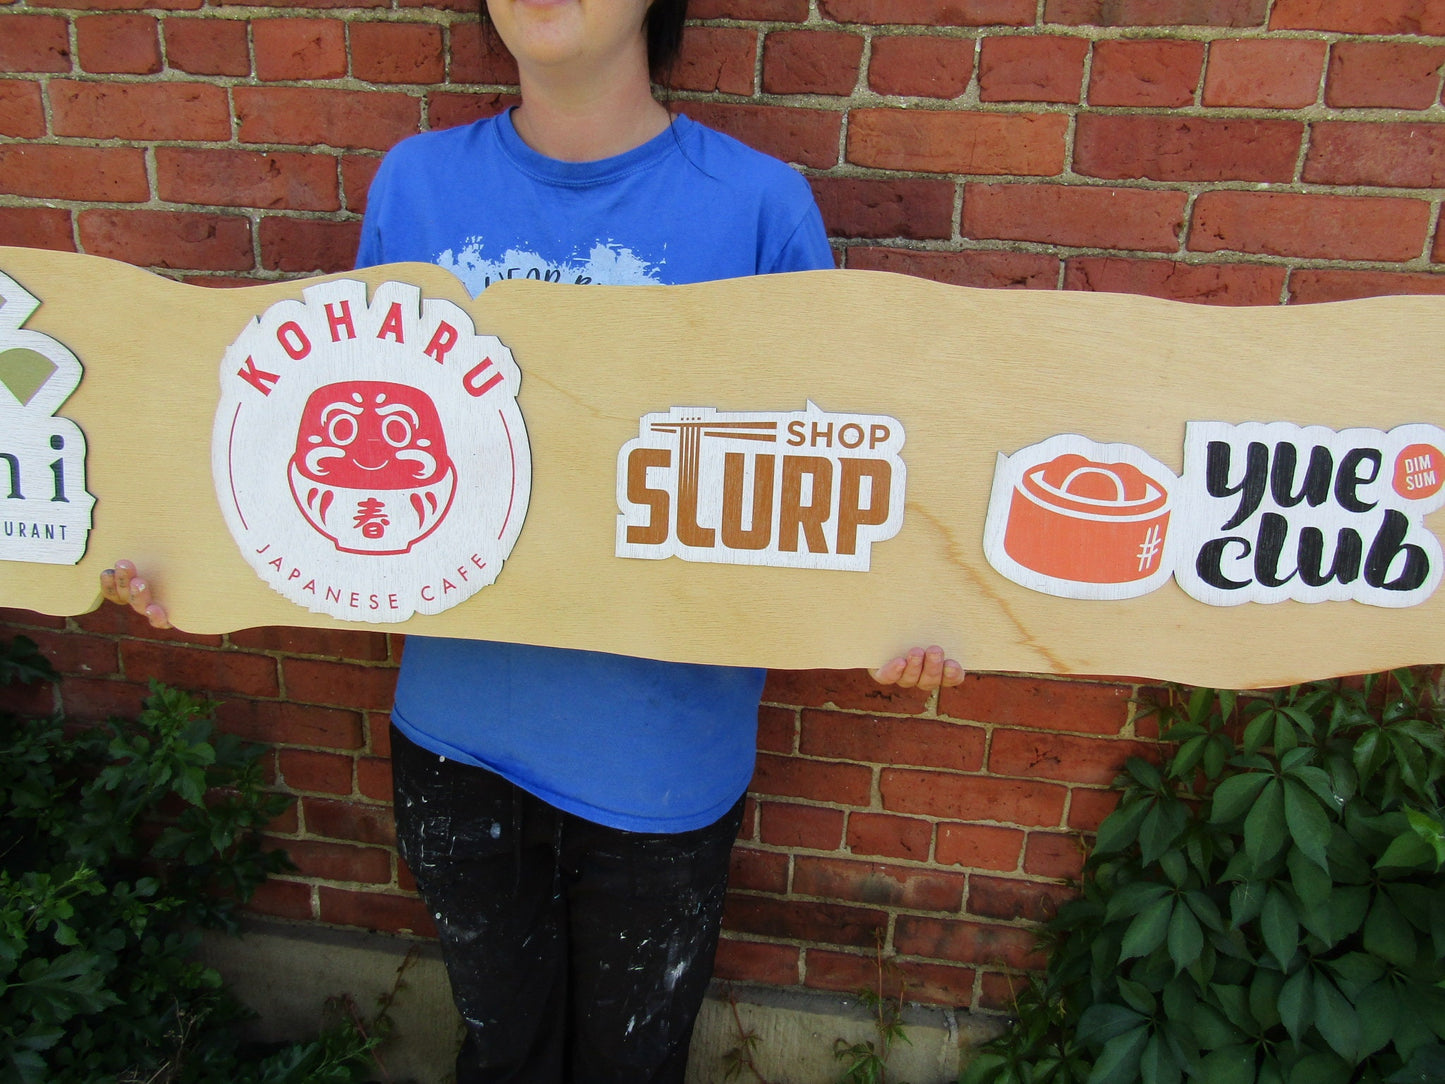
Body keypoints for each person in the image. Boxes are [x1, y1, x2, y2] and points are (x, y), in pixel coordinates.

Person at [103, 0, 963, 1079]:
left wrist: (893, 610)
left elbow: (826, 476)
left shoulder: (754, 205)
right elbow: (318, 433)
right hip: (458, 742)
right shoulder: (416, 185)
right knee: (500, 1058)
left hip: (662, 755)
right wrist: (184, 553)